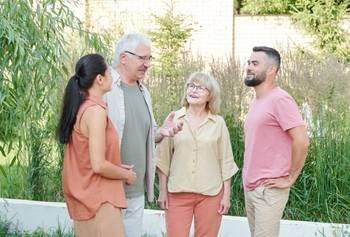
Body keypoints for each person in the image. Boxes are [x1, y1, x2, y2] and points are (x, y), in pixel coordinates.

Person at [104, 33, 183, 237]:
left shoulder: (143, 91)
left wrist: (161, 133)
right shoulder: (105, 89)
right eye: (142, 58)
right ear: (123, 58)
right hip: (107, 190)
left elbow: (148, 136)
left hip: (135, 189)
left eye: (149, 58)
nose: (147, 64)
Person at [57, 54, 137, 237]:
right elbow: (98, 165)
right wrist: (126, 175)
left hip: (86, 195)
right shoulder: (95, 112)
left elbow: (86, 156)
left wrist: (116, 167)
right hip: (100, 199)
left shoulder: (82, 107)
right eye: (109, 72)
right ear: (99, 79)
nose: (113, 76)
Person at [156, 72, 239, 237]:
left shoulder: (218, 123)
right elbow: (163, 158)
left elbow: (226, 161)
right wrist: (162, 191)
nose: (193, 90)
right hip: (177, 192)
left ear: (210, 95)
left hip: (211, 194)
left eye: (200, 88)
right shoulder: (174, 118)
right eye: (191, 86)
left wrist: (226, 196)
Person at [243, 46, 310, 237]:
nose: (249, 67)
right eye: (249, 62)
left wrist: (291, 177)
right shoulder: (257, 100)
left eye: (255, 63)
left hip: (268, 190)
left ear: (272, 70)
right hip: (251, 187)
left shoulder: (280, 99)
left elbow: (302, 141)